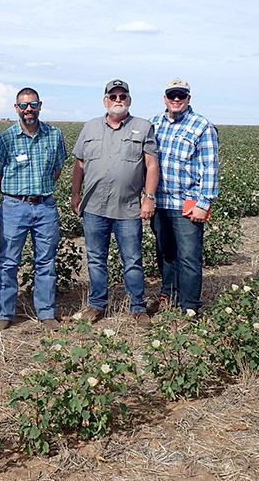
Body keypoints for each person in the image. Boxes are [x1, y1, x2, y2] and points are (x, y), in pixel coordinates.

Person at [71, 79, 159, 327]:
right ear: (105, 101)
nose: (117, 100)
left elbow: (152, 165)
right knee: (96, 258)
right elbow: (79, 164)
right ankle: (97, 304)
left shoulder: (143, 127)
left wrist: (148, 198)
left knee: (132, 259)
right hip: (94, 207)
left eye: (122, 96)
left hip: (128, 207)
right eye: (113, 96)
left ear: (129, 100)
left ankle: (137, 307)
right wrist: (75, 195)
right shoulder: (90, 127)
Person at [0, 88, 67, 331]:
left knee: (46, 261)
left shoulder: (54, 135)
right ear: (16, 108)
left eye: (32, 104)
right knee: (8, 262)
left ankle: (46, 313)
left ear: (40, 105)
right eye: (23, 105)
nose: (28, 109)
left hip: (45, 206)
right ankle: (4, 314)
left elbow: (57, 169)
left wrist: (39, 190)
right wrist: (16, 195)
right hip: (14, 207)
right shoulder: (5, 139)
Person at [149, 78, 219, 315]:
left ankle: (189, 307)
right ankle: (169, 295)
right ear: (165, 98)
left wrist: (204, 202)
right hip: (159, 201)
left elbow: (209, 167)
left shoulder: (202, 126)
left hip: (187, 203)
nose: (176, 99)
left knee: (189, 256)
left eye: (181, 95)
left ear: (189, 98)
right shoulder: (155, 123)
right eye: (172, 95)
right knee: (166, 252)